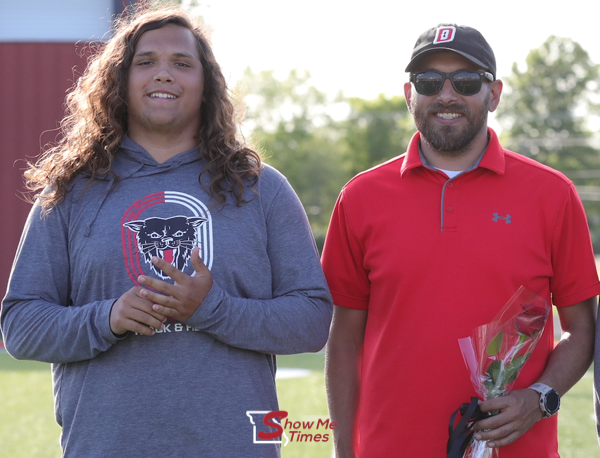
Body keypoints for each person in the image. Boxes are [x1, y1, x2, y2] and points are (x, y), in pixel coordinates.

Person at [0, 6, 332, 458]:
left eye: (181, 63)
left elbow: (312, 321)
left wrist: (211, 309)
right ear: (119, 81)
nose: (163, 74)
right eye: (145, 61)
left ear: (206, 83)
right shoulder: (71, 191)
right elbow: (20, 325)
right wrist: (109, 317)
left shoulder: (259, 188)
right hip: (105, 447)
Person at [322, 24, 599, 458]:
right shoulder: (360, 197)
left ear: (495, 93)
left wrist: (539, 397)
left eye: (466, 81)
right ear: (409, 93)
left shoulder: (553, 194)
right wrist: (343, 450)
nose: (446, 95)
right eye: (428, 82)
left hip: (518, 450)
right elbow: (344, 339)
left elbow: (582, 328)